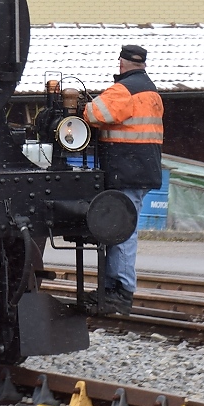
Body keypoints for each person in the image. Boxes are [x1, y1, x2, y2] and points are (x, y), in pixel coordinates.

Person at [82, 44, 164, 315]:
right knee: (120, 230)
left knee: (122, 232)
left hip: (125, 171)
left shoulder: (124, 90)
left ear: (122, 62)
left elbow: (94, 115)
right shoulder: (151, 92)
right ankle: (113, 288)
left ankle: (122, 290)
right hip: (142, 170)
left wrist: (86, 104)